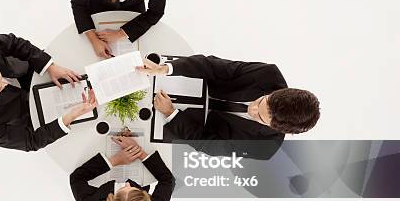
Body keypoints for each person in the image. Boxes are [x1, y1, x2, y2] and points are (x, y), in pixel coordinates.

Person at [137, 55, 321, 160]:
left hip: (187, 124)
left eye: (261, 117)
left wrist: (171, 114)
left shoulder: (266, 148)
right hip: (189, 83)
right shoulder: (268, 74)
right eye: (261, 101)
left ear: (276, 129)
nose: (253, 110)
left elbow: (210, 145)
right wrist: (166, 69)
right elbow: (212, 66)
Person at [0, 33, 96, 151]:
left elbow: (15, 43)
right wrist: (70, 116)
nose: (5, 82)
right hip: (28, 111)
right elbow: (30, 141)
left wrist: (49, 66)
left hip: (29, 71)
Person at [70, 136, 175, 201]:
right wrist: (138, 152)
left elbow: (76, 178)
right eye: (136, 191)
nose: (128, 184)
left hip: (101, 178)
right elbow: (168, 180)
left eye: (122, 189)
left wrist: (115, 161)